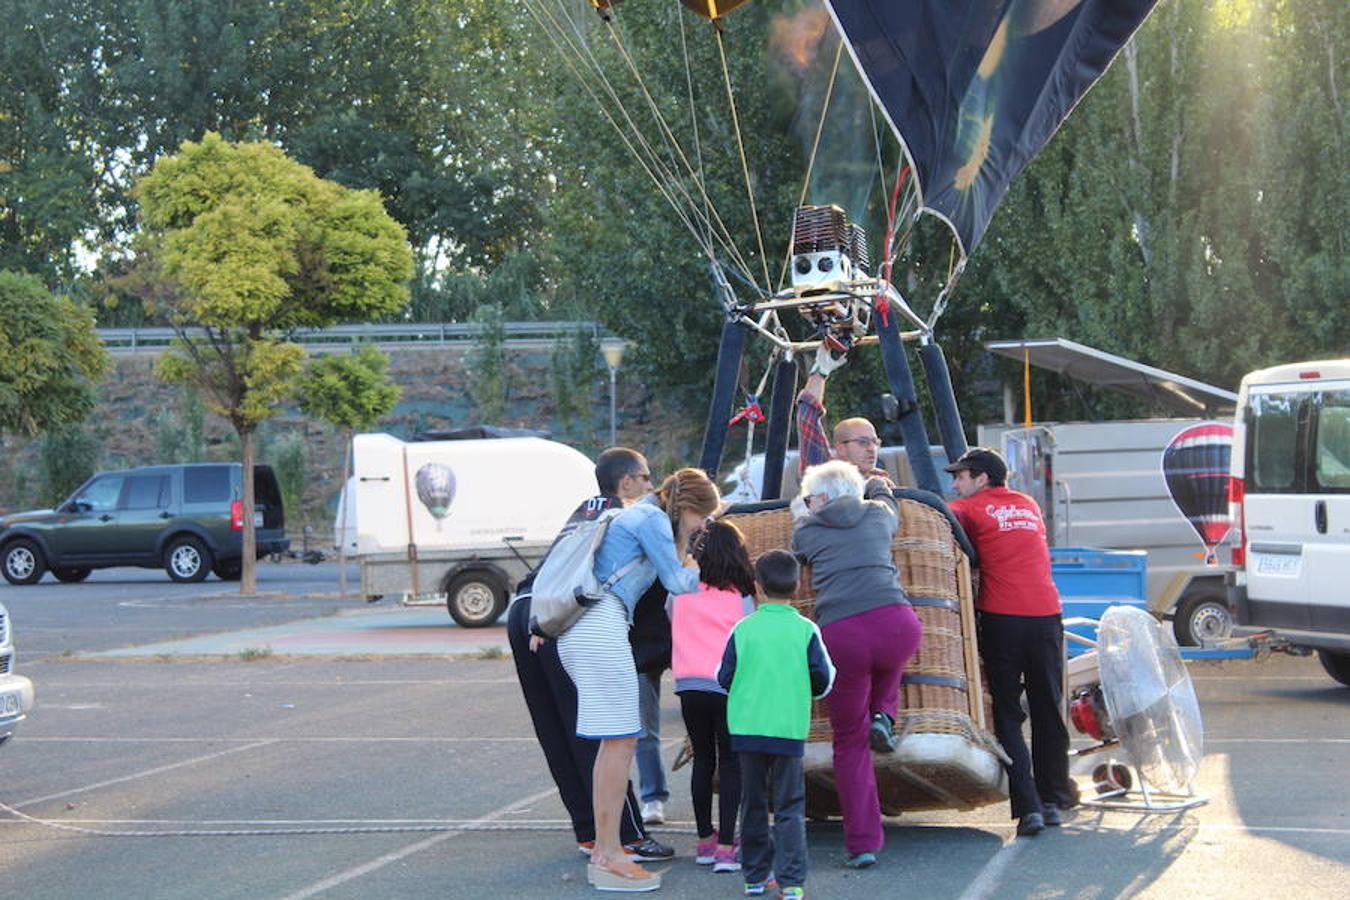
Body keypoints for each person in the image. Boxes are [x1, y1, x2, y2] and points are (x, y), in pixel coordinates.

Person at [506, 447, 675, 863]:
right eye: (647, 477)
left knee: (555, 730)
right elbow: (645, 598)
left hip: (527, 606)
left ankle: (586, 831)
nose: (651, 486)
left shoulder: (586, 509)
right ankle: (626, 836)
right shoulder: (633, 520)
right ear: (628, 482)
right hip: (562, 614)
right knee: (597, 731)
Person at [557, 466, 721, 892]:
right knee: (621, 740)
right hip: (602, 623)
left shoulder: (634, 515)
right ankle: (609, 854)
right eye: (704, 518)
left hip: (585, 626)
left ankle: (606, 848)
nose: (706, 526)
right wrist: (696, 557)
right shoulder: (651, 520)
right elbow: (679, 583)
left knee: (616, 742)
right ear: (687, 507)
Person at [790, 459, 923, 868]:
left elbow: (797, 536)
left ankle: (864, 842)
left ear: (824, 498)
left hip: (845, 634)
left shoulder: (809, 529)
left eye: (813, 497)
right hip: (899, 623)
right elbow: (887, 497)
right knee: (889, 660)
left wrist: (802, 507)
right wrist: (877, 484)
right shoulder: (879, 515)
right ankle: (884, 712)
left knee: (849, 743)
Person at [944, 447, 1077, 837]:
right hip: (1048, 614)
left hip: (1004, 618)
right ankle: (1054, 800)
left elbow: (937, 521)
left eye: (961, 476)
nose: (955, 483)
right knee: (1048, 708)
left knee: (1007, 714)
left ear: (982, 478)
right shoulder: (1029, 505)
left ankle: (1029, 808)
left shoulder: (969, 509)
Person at [717, 549, 835, 900]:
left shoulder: (743, 629)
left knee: (752, 803)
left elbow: (724, 677)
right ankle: (791, 882)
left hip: (747, 728)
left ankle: (754, 877)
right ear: (798, 586)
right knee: (789, 807)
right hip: (788, 727)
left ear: (756, 587)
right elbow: (823, 678)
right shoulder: (805, 630)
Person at [667, 520, 756, 873]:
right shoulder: (742, 596)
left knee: (702, 760)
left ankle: (704, 839)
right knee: (730, 762)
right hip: (726, 686)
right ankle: (725, 847)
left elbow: (670, 618)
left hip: (688, 685)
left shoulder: (680, 592)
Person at [796, 345, 891, 482]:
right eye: (863, 442)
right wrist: (821, 371)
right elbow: (807, 415)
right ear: (841, 448)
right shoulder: (827, 478)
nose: (871, 449)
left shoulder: (882, 483)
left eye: (875, 442)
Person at [630, 583, 671, 827]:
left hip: (684, 637)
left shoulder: (678, 555)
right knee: (644, 729)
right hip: (642, 646)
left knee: (709, 725)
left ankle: (654, 797)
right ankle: (653, 797)